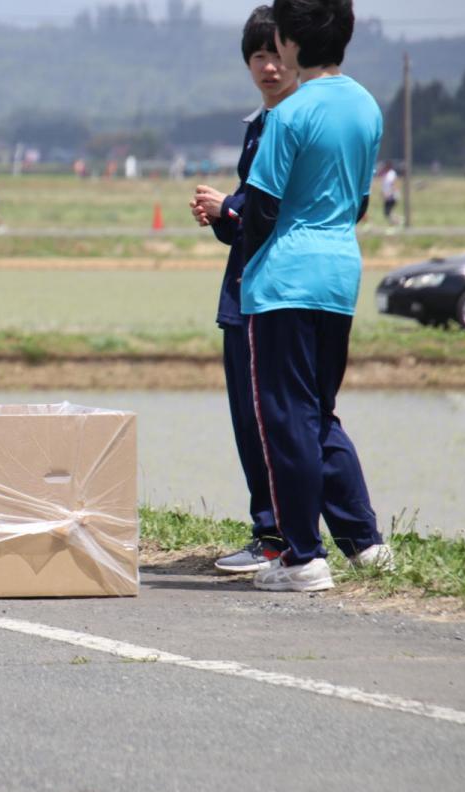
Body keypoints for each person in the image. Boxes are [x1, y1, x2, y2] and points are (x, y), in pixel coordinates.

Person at [240, 0, 393, 592]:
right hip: (339, 274)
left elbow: (261, 208)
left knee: (286, 419)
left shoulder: (288, 114)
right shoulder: (367, 107)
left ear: (289, 40)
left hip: (284, 280)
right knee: (319, 412)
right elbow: (358, 202)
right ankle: (365, 545)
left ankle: (302, 556)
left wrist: (240, 236)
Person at [189, 6, 296, 575]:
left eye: (278, 54)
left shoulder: (286, 124)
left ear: (299, 55)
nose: (269, 66)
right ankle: (285, 531)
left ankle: (278, 534)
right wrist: (223, 213)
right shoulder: (259, 123)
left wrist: (229, 207)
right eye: (259, 56)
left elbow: (268, 212)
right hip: (247, 290)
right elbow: (247, 220)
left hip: (266, 293)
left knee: (269, 417)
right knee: (257, 416)